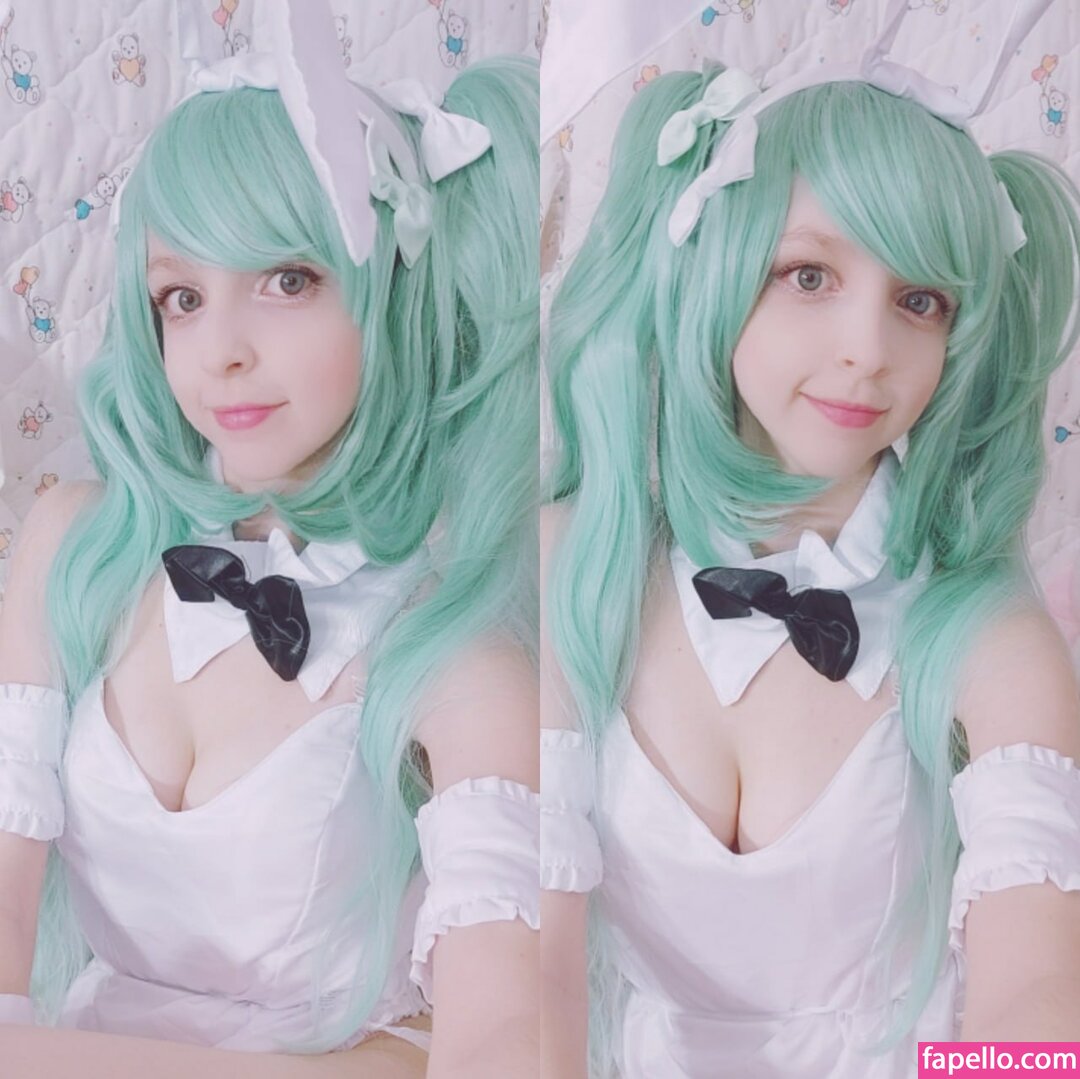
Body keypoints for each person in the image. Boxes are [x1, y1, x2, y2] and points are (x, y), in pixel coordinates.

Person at [0, 13, 540, 1077]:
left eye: (287, 279)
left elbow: (498, 1043)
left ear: (391, 290)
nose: (221, 352)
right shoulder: (79, 546)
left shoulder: (457, 648)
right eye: (181, 297)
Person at [541, 16, 1080, 1079]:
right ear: (718, 268)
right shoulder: (575, 564)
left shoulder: (990, 634)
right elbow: (531, 965)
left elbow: (1036, 990)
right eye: (809, 276)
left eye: (919, 301)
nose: (868, 350)